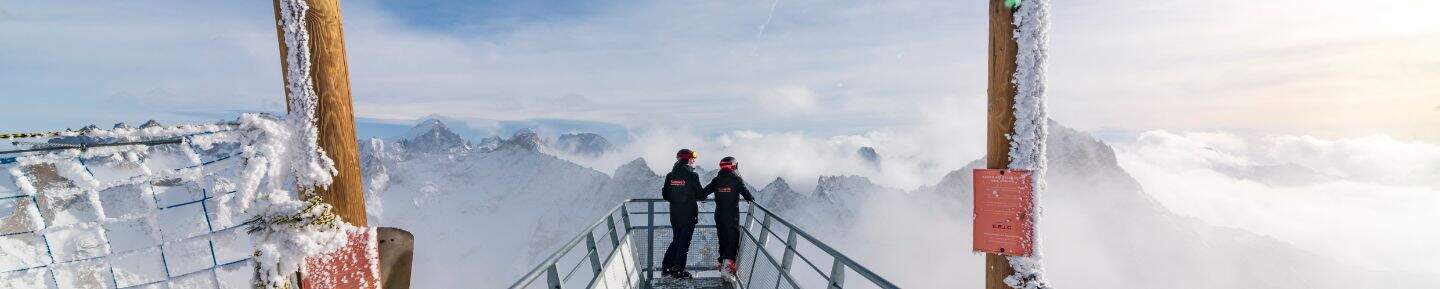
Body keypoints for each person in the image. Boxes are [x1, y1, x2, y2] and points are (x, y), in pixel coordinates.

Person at [701, 156, 755, 278]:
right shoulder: (736, 180)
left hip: (719, 215)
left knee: (722, 238)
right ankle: (729, 266)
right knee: (733, 239)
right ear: (734, 166)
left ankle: (722, 262)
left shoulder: (716, 180)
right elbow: (747, 195)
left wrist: (703, 197)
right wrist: (750, 199)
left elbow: (704, 193)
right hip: (732, 215)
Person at [660, 149, 703, 279]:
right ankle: (678, 271)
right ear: (688, 159)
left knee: (676, 240)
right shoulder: (692, 175)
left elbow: (665, 195)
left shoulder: (670, 176)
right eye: (692, 158)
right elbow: (700, 194)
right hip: (689, 214)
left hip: (675, 214)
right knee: (684, 243)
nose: (693, 161)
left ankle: (666, 268)